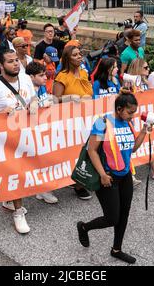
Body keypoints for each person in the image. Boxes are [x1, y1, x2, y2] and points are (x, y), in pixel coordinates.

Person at [77, 89, 150, 264]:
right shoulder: (103, 123)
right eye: (129, 112)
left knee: (123, 216)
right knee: (112, 218)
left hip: (125, 175)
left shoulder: (128, 124)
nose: (132, 115)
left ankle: (116, 249)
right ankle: (84, 227)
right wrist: (102, 174)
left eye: (134, 112)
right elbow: (92, 150)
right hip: (107, 176)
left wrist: (144, 132)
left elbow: (132, 149)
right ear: (119, 109)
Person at [0, 50, 38, 234]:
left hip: (26, 133)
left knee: (22, 172)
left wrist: (35, 103)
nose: (15, 64)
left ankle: (9, 199)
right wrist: (0, 114)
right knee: (16, 173)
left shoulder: (26, 79)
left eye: (16, 61)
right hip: (5, 140)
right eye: (10, 61)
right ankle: (18, 212)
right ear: (0, 65)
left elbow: (32, 98)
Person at [53, 45, 93, 200]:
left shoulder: (84, 72)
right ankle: (77, 184)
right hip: (70, 120)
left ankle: (83, 177)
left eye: (80, 54)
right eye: (75, 55)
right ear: (67, 59)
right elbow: (55, 99)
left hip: (87, 116)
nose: (79, 57)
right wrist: (70, 98)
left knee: (87, 149)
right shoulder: (62, 76)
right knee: (75, 151)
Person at [25, 61, 58, 203]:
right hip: (31, 130)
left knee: (45, 159)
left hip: (44, 128)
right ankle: (42, 189)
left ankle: (42, 190)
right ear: (31, 77)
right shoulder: (26, 91)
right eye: (41, 75)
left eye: (45, 74)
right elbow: (27, 111)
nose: (45, 77)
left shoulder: (42, 88)